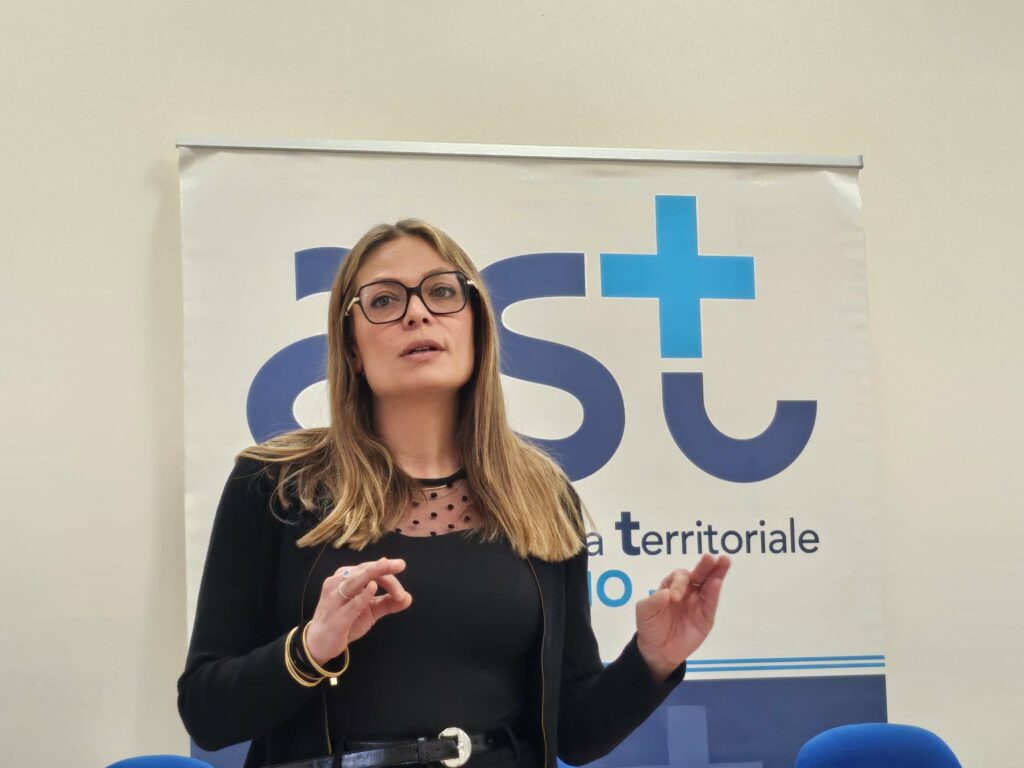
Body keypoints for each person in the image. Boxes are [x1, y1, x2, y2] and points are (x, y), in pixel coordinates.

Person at [177, 218, 731, 768]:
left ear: (477, 327)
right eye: (384, 300)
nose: (417, 313)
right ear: (352, 348)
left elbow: (575, 734)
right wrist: (311, 647)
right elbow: (206, 713)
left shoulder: (540, 495)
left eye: (442, 292)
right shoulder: (274, 485)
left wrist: (653, 659)